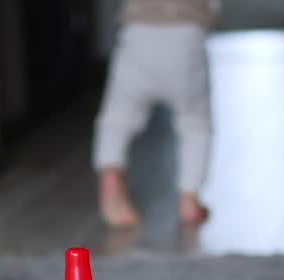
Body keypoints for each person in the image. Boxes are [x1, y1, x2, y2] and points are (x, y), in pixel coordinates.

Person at [93, 0, 218, 228]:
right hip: (186, 32)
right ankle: (189, 197)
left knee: (117, 119)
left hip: (139, 32)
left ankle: (111, 181)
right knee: (196, 123)